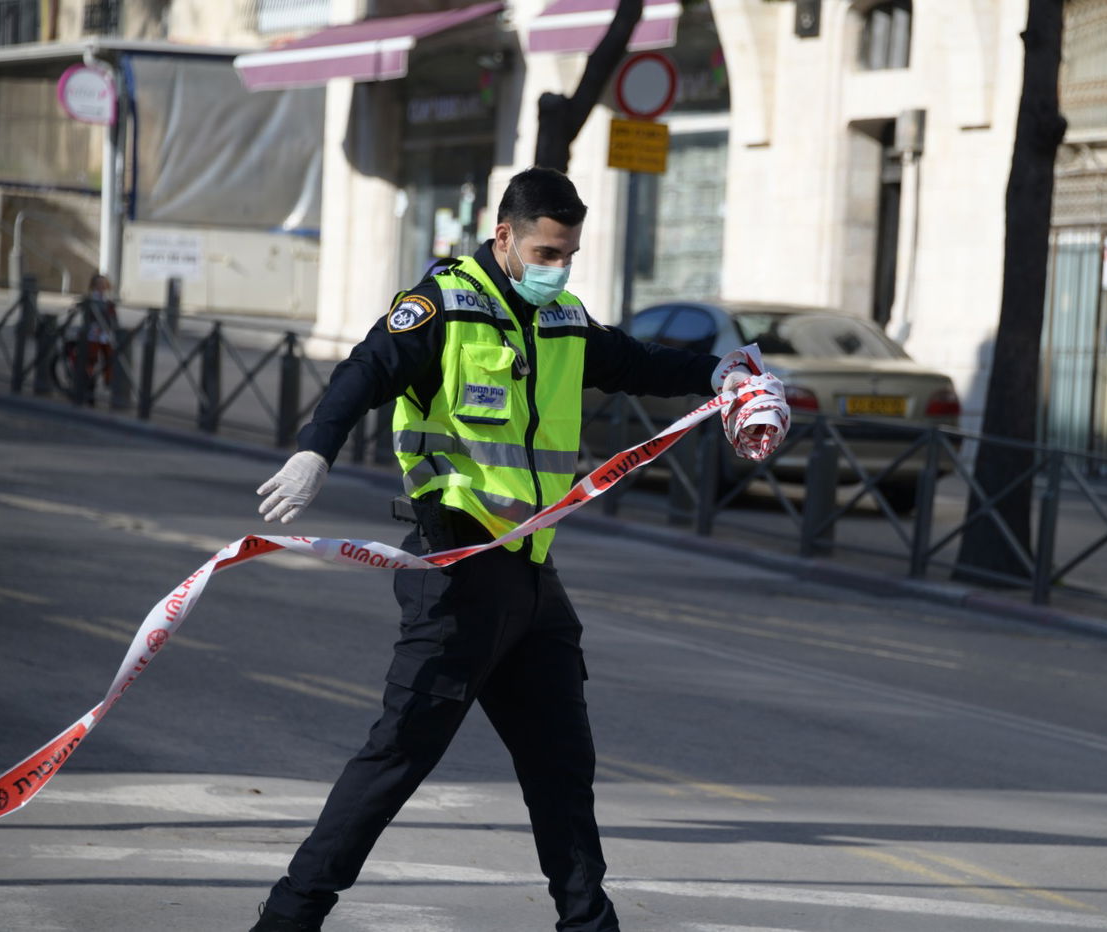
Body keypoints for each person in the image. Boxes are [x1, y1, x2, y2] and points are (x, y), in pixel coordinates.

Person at [249, 167, 786, 932]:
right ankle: (288, 918)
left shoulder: (562, 317)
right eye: (544, 252)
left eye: (567, 254)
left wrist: (724, 371)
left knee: (563, 769)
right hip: (457, 573)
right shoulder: (439, 306)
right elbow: (365, 370)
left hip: (533, 581)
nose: (556, 268)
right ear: (504, 236)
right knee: (397, 758)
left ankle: (587, 923)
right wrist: (315, 451)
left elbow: (634, 362)